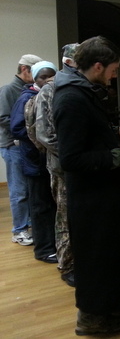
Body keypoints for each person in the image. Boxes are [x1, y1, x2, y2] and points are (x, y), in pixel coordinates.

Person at [53, 36, 120, 335]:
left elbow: (91, 135)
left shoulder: (86, 91)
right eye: (114, 69)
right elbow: (72, 157)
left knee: (111, 256)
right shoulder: (71, 97)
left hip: (106, 193)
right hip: (93, 198)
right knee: (98, 259)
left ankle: (111, 307)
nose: (115, 74)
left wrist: (117, 135)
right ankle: (93, 319)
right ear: (97, 66)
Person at [34, 43, 79, 286]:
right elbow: (44, 134)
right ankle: (67, 265)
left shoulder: (73, 87)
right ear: (69, 62)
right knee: (64, 217)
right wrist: (73, 153)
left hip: (75, 165)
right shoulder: (50, 90)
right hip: (62, 165)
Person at [11, 61, 58, 263]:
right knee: (39, 207)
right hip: (35, 162)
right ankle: (44, 249)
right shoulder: (27, 98)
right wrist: (39, 137)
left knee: (50, 204)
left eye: (51, 76)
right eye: (42, 77)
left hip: (48, 162)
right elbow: (17, 128)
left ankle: (52, 244)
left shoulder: (51, 97)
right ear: (34, 78)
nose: (47, 80)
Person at [0, 54, 42, 245]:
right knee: (19, 190)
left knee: (28, 187)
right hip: (13, 146)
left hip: (26, 146)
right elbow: (3, 119)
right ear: (25, 70)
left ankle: (29, 224)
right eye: (34, 72)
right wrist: (30, 130)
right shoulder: (8, 90)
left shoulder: (27, 89)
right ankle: (19, 230)